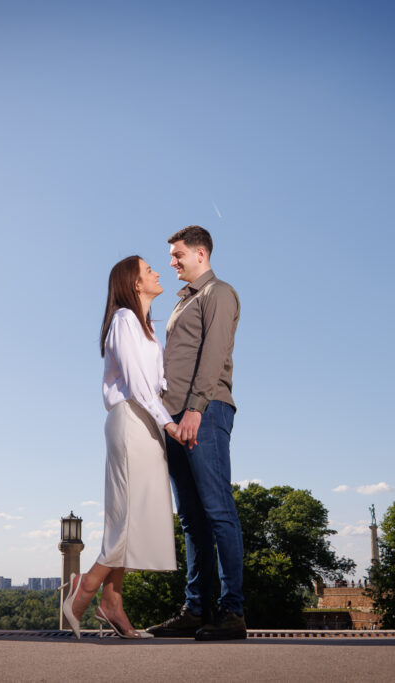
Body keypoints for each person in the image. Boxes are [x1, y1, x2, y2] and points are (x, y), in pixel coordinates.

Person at [61, 255, 179, 639]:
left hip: (145, 421)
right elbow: (138, 384)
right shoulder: (125, 321)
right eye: (149, 271)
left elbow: (157, 384)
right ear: (133, 284)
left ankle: (113, 604)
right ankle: (86, 588)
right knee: (126, 517)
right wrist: (169, 423)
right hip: (132, 419)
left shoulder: (146, 328)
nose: (157, 272)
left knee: (130, 515)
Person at [147, 225, 246, 641]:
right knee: (190, 518)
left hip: (204, 413)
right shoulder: (183, 302)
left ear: (200, 254)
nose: (172, 262)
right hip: (176, 419)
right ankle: (196, 607)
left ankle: (231, 612)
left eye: (177, 254)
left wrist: (195, 409)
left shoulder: (218, 293)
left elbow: (214, 354)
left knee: (217, 509)